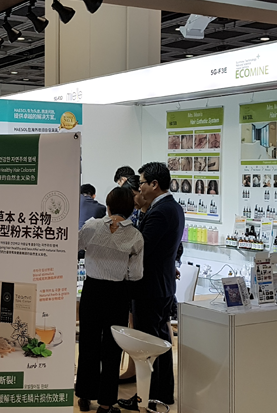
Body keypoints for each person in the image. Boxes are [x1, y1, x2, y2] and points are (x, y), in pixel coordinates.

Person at [76, 187, 144, 413]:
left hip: (92, 290)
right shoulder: (135, 236)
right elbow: (136, 274)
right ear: (131, 209)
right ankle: (105, 403)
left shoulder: (92, 226)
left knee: (88, 343)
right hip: (117, 293)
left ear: (108, 206)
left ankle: (84, 395)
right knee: (113, 348)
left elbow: (74, 247)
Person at [123, 162, 184, 409]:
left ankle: (147, 396)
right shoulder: (173, 207)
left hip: (149, 287)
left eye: (142, 184)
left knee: (147, 344)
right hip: (162, 285)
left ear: (154, 184)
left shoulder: (159, 212)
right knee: (160, 342)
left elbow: (141, 249)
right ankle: (161, 394)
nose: (140, 189)